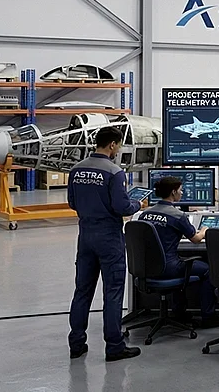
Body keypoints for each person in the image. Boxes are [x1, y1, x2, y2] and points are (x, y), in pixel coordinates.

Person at [67, 127, 142, 361]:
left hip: (85, 235)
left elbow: (72, 202)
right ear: (112, 145)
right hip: (109, 237)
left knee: (82, 290)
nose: (118, 149)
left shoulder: (76, 170)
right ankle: (114, 346)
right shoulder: (114, 172)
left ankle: (76, 343)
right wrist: (137, 204)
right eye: (118, 145)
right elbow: (122, 207)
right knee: (113, 291)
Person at [136, 176, 219, 328]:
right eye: (180, 190)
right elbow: (196, 239)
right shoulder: (177, 216)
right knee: (209, 270)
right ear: (173, 192)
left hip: (146, 268)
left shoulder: (145, 214)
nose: (182, 192)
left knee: (182, 262)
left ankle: (179, 312)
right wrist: (204, 231)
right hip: (169, 268)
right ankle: (208, 316)